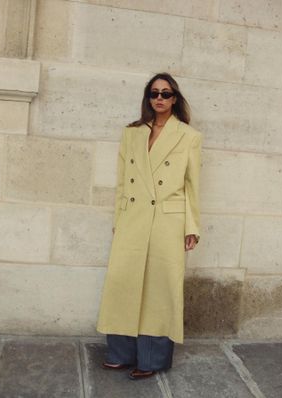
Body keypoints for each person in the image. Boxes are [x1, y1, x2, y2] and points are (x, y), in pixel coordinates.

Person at [96, 72, 202, 380]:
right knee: (122, 283)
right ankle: (120, 353)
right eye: (154, 93)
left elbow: (192, 185)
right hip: (133, 217)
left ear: (175, 99)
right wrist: (119, 219)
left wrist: (191, 226)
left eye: (166, 93)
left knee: (158, 289)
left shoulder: (188, 136)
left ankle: (152, 358)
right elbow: (120, 183)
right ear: (148, 98)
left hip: (168, 220)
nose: (159, 98)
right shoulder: (131, 133)